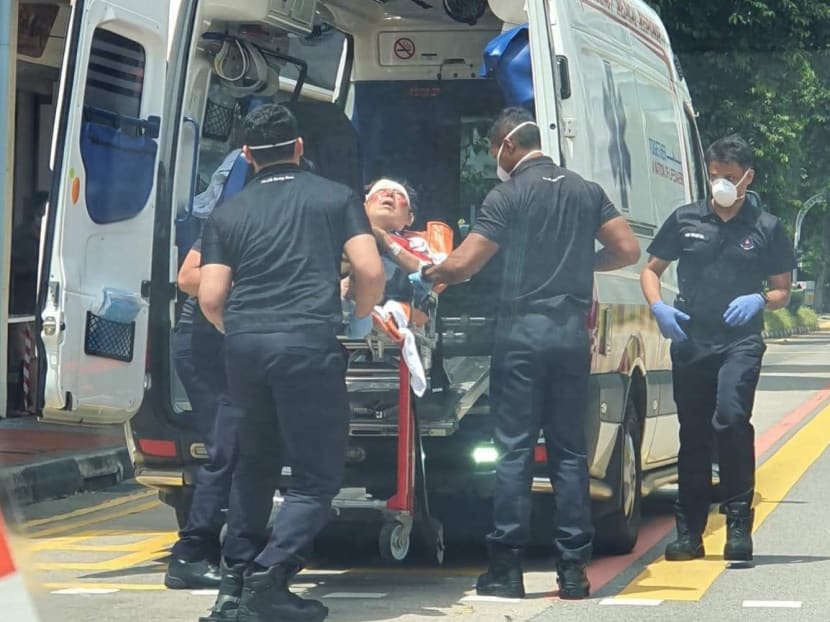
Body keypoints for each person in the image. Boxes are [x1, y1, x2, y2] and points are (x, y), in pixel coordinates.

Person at [411, 107, 640, 599]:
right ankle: (574, 571)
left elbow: (465, 265)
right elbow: (627, 249)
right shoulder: (586, 190)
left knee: (514, 451)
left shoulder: (508, 195)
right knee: (569, 453)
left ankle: (507, 571)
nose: (495, 158)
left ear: (509, 146)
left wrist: (428, 274)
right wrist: (582, 264)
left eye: (494, 149)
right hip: (570, 335)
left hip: (520, 335)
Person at [198, 104, 383, 622]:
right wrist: (358, 318)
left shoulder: (227, 213)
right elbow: (369, 271)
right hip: (306, 341)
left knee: (254, 464)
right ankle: (270, 578)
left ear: (247, 155)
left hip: (244, 346)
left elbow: (210, 297)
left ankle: (233, 587)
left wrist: (241, 331)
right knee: (315, 475)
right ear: (299, 148)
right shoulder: (335, 197)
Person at [640, 134, 795, 564]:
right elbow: (651, 270)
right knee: (693, 435)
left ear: (748, 177)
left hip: (739, 341)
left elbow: (782, 290)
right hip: (692, 339)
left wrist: (759, 299)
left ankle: (738, 525)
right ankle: (689, 533)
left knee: (730, 419)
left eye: (729, 176)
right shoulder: (686, 218)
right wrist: (658, 307)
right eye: (713, 176)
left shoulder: (767, 228)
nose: (720, 184)